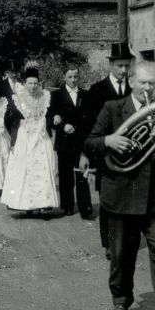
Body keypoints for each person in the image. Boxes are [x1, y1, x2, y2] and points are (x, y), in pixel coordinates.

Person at [84, 61, 155, 310]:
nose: (148, 88)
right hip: (122, 195)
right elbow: (90, 142)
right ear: (131, 82)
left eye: (152, 83)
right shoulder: (113, 109)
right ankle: (121, 300)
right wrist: (109, 140)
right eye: (143, 83)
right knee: (120, 253)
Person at [82, 42, 134, 257]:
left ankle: (126, 240)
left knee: (128, 198)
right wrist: (85, 155)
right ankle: (109, 244)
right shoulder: (97, 90)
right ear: (111, 64)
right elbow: (87, 127)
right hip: (104, 155)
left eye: (127, 66)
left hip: (130, 154)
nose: (124, 70)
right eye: (120, 65)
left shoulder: (134, 89)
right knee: (107, 200)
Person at [1, 65, 59, 215]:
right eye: (30, 83)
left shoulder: (45, 97)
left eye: (35, 83)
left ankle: (43, 205)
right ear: (25, 84)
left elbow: (50, 116)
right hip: (24, 137)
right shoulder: (17, 98)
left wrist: (52, 120)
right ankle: (27, 206)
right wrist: (15, 137)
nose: (33, 86)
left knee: (43, 168)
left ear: (39, 84)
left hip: (41, 138)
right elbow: (8, 120)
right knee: (25, 170)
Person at [49, 65, 92, 218]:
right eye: (70, 77)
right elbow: (49, 118)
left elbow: (90, 119)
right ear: (64, 77)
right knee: (66, 176)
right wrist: (61, 125)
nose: (73, 80)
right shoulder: (56, 95)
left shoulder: (85, 95)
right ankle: (67, 206)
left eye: (75, 77)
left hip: (80, 141)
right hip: (64, 143)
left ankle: (85, 208)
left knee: (82, 173)